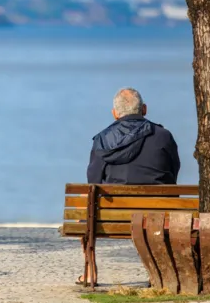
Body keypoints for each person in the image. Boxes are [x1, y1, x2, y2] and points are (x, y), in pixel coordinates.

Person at [76, 87, 181, 285]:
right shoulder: (163, 136)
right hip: (157, 215)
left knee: (85, 208)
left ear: (115, 113)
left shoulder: (102, 140)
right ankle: (159, 274)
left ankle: (90, 273)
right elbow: (173, 171)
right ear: (144, 109)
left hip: (112, 216)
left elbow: (93, 180)